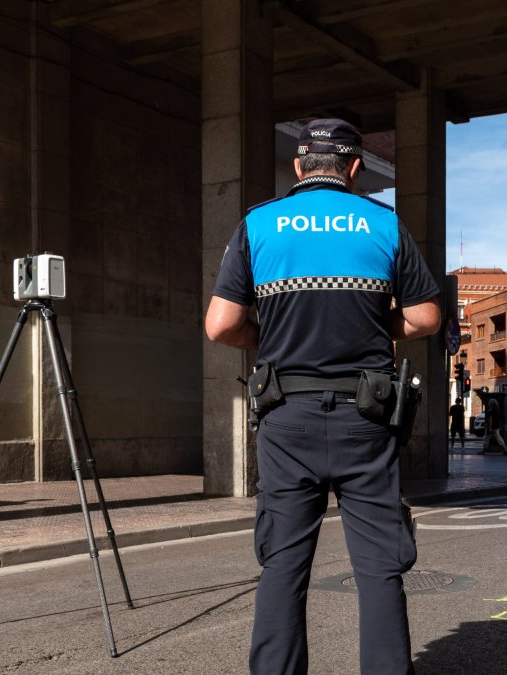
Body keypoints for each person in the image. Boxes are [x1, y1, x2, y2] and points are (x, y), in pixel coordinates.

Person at [204, 118, 440, 675]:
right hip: (367, 415)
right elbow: (426, 316)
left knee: (283, 565)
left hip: (288, 416)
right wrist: (376, 330)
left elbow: (219, 326)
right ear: (355, 168)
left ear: (298, 166)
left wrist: (271, 338)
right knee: (380, 566)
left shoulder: (259, 224)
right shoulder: (383, 224)